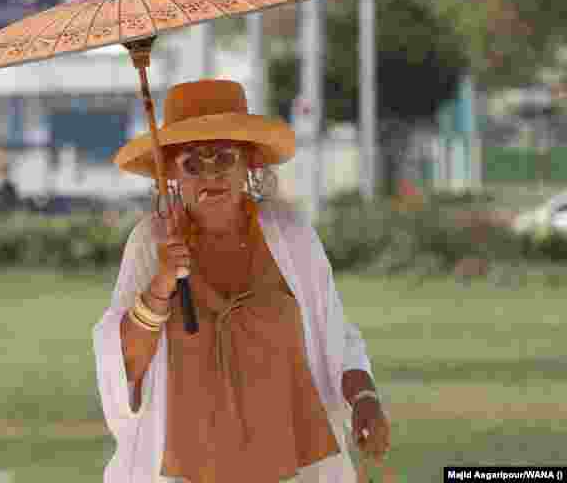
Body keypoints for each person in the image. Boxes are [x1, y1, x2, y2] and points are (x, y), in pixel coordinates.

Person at [93, 80, 391, 482]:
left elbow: (337, 339)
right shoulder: (151, 242)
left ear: (249, 161)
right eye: (192, 162)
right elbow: (123, 366)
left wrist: (365, 399)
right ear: (171, 172)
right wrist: (161, 285)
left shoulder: (292, 236)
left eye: (224, 157)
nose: (211, 173)